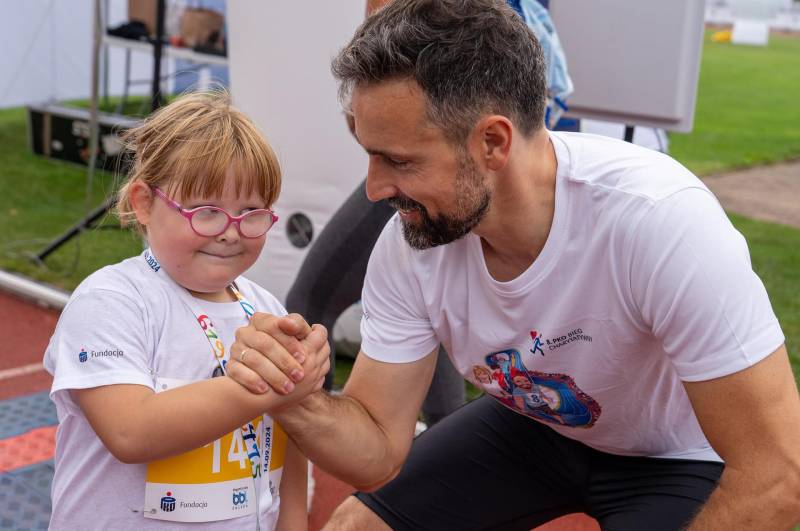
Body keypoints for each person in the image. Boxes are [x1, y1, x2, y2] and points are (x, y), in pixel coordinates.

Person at [227, 1, 800, 530]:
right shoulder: (412, 243)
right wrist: (297, 397)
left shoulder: (658, 221)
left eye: (399, 161)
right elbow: (375, 450)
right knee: (359, 525)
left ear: (493, 143)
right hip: (541, 427)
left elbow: (780, 474)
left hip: (679, 456)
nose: (375, 189)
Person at [43, 91, 330, 530]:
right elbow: (130, 431)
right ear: (143, 202)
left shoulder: (266, 308)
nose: (230, 232)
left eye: (251, 212)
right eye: (205, 211)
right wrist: (278, 385)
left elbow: (289, 451)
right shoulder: (111, 300)